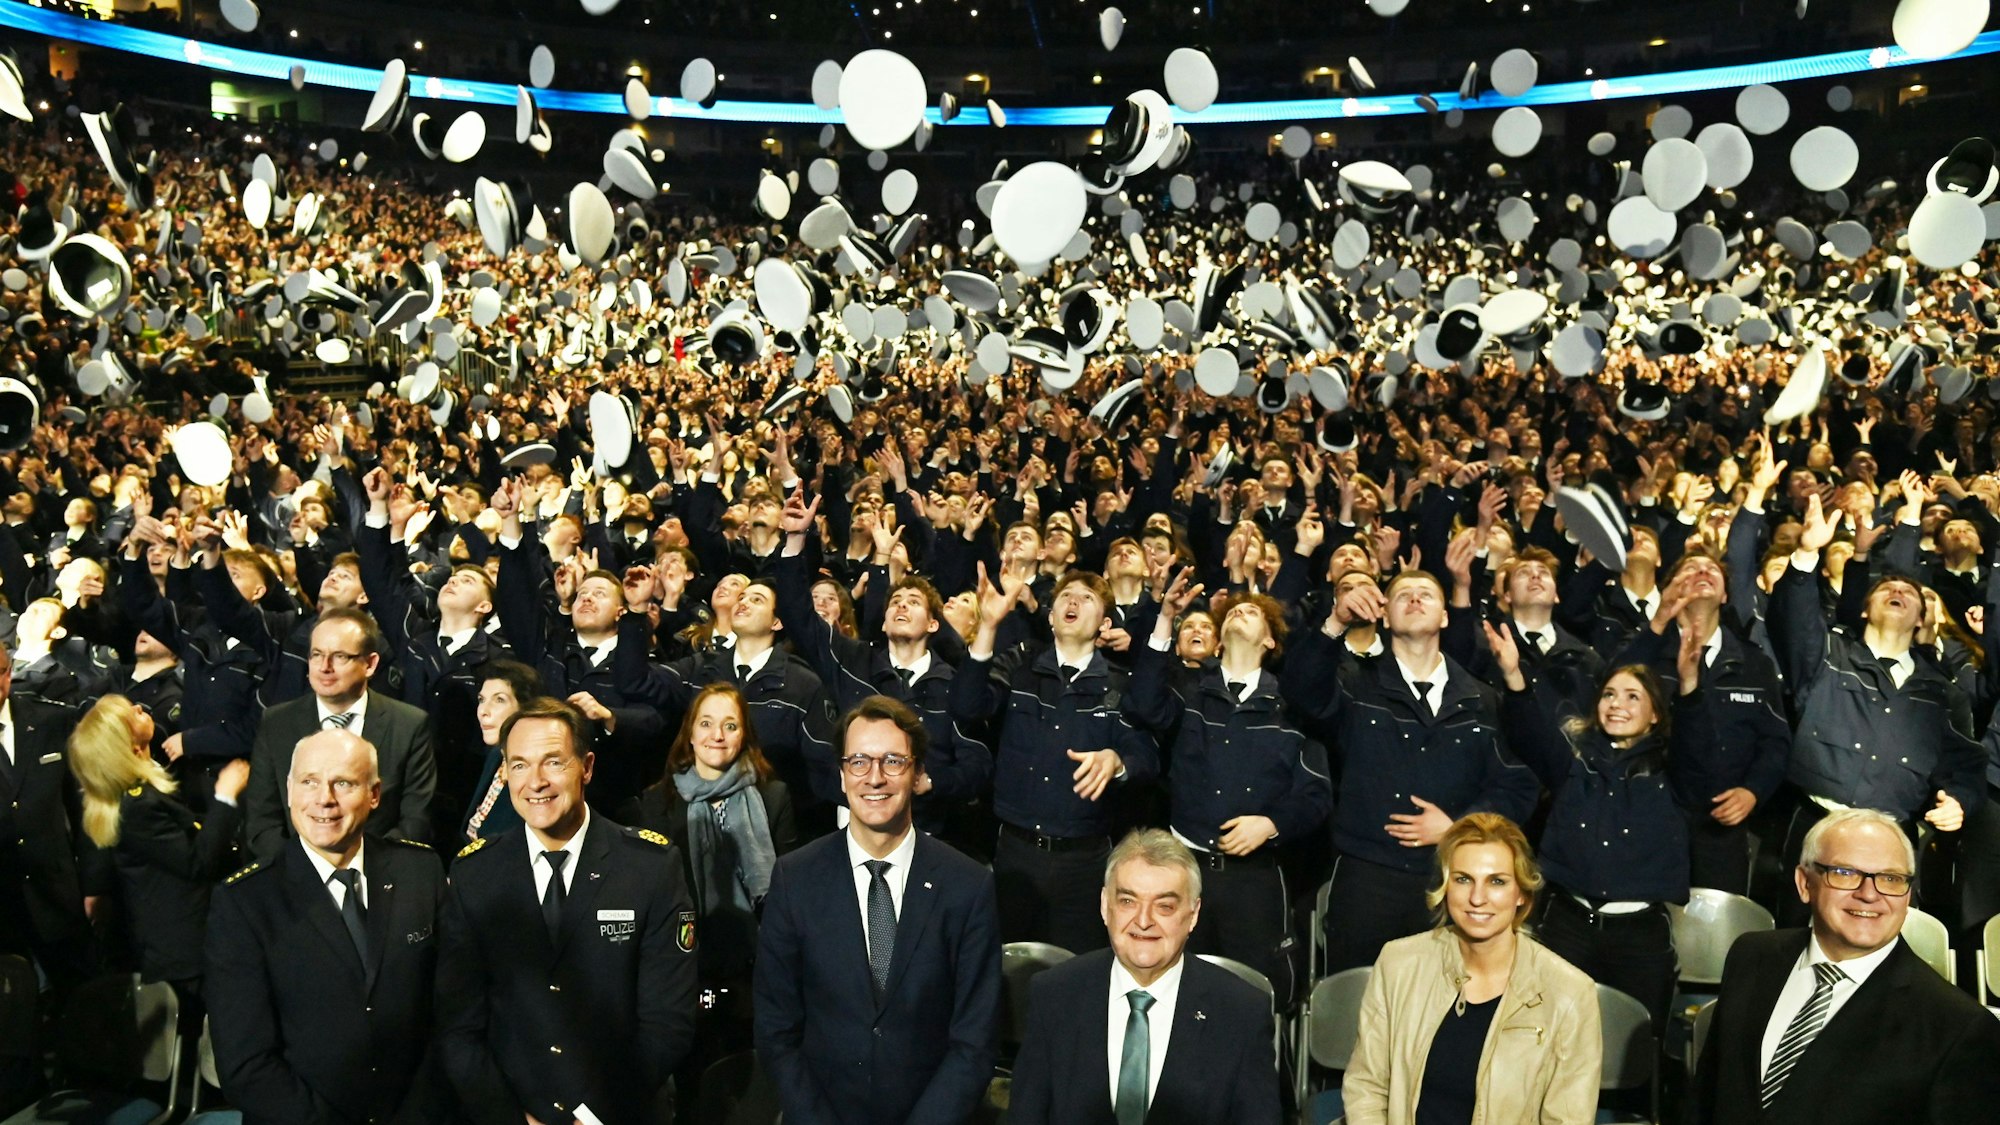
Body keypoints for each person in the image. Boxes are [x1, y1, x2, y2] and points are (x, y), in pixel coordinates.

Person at [437, 696, 699, 1125]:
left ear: (587, 767)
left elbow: (667, 1022)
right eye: (519, 765)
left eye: (553, 763)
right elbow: (457, 1025)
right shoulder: (474, 874)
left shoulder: (650, 867)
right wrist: (511, 1118)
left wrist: (591, 1117)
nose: (535, 782)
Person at [754, 695, 1001, 1125]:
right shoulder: (795, 879)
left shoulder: (967, 885)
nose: (874, 778)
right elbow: (776, 1030)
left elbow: (975, 1041)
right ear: (842, 775)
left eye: (892, 761)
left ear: (918, 774)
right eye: (859, 762)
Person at [1282, 569, 1539, 974]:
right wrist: (1335, 623)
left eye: (1426, 594)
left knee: (1447, 1000)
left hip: (1450, 878)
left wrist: (1459, 825)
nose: (1415, 599)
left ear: (1445, 616)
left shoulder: (1483, 699)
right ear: (1384, 616)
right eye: (1403, 595)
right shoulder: (1354, 684)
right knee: (1358, 1000)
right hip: (1366, 879)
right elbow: (1300, 692)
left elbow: (1519, 784)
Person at [204, 729, 452, 1125]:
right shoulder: (245, 901)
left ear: (374, 794)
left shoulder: (420, 871)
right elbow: (246, 1065)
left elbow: (451, 1016)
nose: (325, 799)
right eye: (309, 782)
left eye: (344, 783)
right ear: (289, 791)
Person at [1695, 807, 2000, 1124]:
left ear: (1908, 894)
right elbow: (1705, 1100)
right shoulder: (1752, 955)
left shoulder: (1957, 1026)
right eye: (1845, 873)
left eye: (1890, 878)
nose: (1868, 894)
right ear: (1804, 883)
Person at [1489, 624, 1715, 1031]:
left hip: (1640, 936)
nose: (1616, 704)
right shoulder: (1574, 760)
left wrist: (1689, 685)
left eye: (1632, 696)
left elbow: (1698, 749)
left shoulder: (1673, 774)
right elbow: (1530, 734)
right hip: (1567, 925)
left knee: (1635, 1044)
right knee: (1546, 1037)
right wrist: (1513, 676)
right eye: (1608, 694)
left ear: (1655, 715)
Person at [1127, 569, 1331, 984]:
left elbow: (1316, 794)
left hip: (1255, 880)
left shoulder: (1292, 707)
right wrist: (1165, 618)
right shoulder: (1189, 690)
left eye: (1252, 613)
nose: (1239, 612)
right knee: (1175, 988)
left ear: (1270, 641)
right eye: (1233, 612)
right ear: (1218, 641)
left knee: (1255, 991)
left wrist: (1271, 824)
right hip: (1184, 873)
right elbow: (1144, 705)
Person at [949, 565, 1160, 952]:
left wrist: (1117, 761)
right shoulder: (1020, 664)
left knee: (1075, 969)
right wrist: (988, 627)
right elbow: (967, 706)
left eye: (1087, 598)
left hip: (1085, 860)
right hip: (1015, 853)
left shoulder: (1119, 683)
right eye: (1065, 596)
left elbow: (1147, 756)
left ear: (1105, 624)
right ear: (1050, 617)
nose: (1073, 601)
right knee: (1006, 964)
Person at [1008, 828, 1281, 1125]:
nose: (1143, 920)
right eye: (1128, 901)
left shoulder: (1241, 1013)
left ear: (1192, 915)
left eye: (1164, 906)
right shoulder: (1054, 995)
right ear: (1105, 906)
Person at [1343, 813, 1601, 1125]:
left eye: (1497, 881)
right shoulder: (1399, 963)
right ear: (1445, 886)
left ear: (1521, 893)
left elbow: (1568, 1119)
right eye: (1463, 879)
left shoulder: (1570, 994)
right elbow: (1366, 1087)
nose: (1478, 898)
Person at [68, 694, 245, 997]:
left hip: (190, 944)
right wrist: (225, 797)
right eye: (130, 715)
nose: (139, 707)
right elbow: (197, 862)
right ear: (129, 747)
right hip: (186, 953)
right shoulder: (137, 807)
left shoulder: (143, 790)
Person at [242, 607, 437, 861]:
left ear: (370, 664)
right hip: (293, 873)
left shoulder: (408, 725)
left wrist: (357, 869)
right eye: (316, 655)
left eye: (340, 657)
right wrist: (310, 872)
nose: (324, 667)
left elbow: (416, 821)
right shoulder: (277, 722)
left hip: (378, 872)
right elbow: (262, 821)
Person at [0, 643, 92, 990]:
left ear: (9, 673)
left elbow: (84, 810)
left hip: (58, 896)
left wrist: (94, 885)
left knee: (80, 995)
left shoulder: (53, 721)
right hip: (2, 903)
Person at [458, 658, 542, 842]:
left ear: (525, 709)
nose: (483, 711)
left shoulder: (536, 773)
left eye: (499, 700)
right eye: (481, 700)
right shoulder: (496, 755)